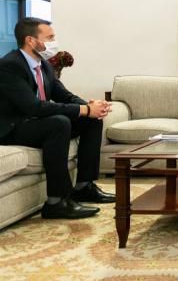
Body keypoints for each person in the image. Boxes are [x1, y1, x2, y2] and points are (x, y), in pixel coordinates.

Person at [0, 17, 114, 219]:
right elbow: (33, 107)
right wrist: (84, 110)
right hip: (12, 128)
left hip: (35, 123)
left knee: (91, 120)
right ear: (31, 40)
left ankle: (84, 186)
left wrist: (91, 107)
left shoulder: (43, 65)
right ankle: (56, 202)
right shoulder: (9, 66)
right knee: (59, 123)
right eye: (50, 37)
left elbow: (64, 96)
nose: (55, 42)